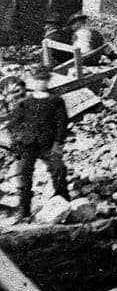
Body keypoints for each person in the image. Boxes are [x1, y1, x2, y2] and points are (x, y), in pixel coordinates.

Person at [11, 65, 70, 221]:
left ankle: (64, 202)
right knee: (23, 174)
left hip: (48, 144)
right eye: (37, 80)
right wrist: (18, 141)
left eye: (43, 79)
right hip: (27, 145)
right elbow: (15, 124)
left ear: (48, 80)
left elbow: (62, 124)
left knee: (58, 170)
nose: (40, 83)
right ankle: (23, 210)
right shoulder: (25, 102)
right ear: (31, 81)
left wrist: (58, 143)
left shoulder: (56, 101)